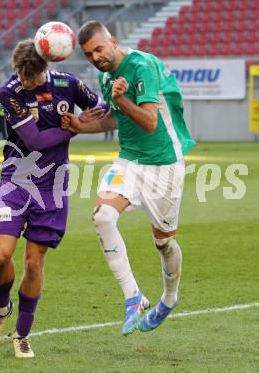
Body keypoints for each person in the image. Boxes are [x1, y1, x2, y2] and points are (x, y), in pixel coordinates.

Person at [62, 21, 196, 336]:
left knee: (164, 243)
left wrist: (121, 100)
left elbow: (149, 121)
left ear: (113, 41)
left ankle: (169, 298)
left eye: (98, 49)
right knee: (103, 216)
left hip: (164, 163)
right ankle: (133, 296)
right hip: (129, 161)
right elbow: (116, 117)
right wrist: (81, 127)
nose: (95, 57)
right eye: (88, 54)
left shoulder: (142, 66)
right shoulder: (106, 75)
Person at [0, 38, 106, 358]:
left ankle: (22, 334)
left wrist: (99, 110)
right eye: (22, 76)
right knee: (0, 256)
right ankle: (1, 308)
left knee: (34, 264)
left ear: (45, 68)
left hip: (53, 186)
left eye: (32, 79)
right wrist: (73, 129)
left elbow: (101, 108)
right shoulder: (10, 91)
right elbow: (36, 140)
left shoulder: (69, 84)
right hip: (16, 181)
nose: (26, 83)